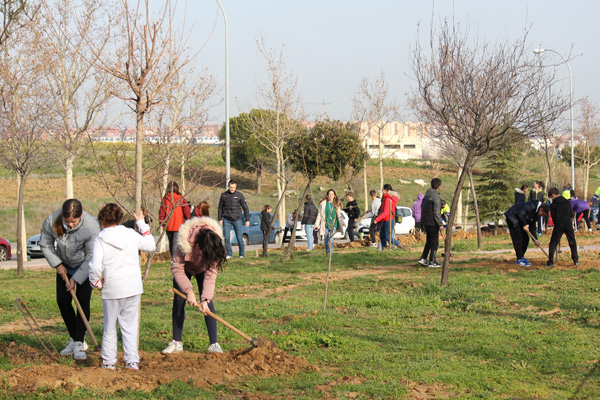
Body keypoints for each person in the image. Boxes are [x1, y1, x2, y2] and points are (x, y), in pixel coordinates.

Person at [88, 204, 156, 370]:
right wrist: (141, 223)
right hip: (133, 287)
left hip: (112, 289)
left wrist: (96, 282)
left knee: (110, 327)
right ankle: (132, 361)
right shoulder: (130, 234)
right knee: (130, 326)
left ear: (101, 221)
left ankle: (109, 362)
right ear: (120, 219)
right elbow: (150, 245)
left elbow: (95, 266)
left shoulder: (100, 239)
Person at [40, 199, 100, 360]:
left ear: (80, 215)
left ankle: (80, 341)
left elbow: (91, 256)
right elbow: (45, 243)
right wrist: (58, 264)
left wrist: (76, 278)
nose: (70, 225)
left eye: (73, 221)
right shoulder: (52, 221)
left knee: (82, 301)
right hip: (64, 267)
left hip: (84, 266)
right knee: (63, 301)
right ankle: (74, 339)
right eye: (68, 222)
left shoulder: (91, 226)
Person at [162, 215, 227, 355]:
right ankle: (177, 342)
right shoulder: (183, 241)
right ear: (197, 246)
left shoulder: (214, 244)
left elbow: (211, 275)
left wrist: (205, 299)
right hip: (184, 269)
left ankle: (214, 344)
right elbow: (177, 269)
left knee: (208, 304)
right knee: (179, 301)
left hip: (202, 270)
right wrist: (189, 291)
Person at [504, 199, 549, 267]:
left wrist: (535, 240)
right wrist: (524, 225)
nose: (541, 216)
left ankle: (521, 256)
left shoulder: (536, 215)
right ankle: (519, 259)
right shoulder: (531, 205)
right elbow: (520, 213)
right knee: (519, 238)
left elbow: (532, 227)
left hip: (520, 221)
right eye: (542, 214)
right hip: (512, 217)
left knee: (526, 239)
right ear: (541, 209)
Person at [547, 187, 579, 268]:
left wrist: (557, 222)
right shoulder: (567, 202)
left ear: (553, 195)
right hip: (568, 224)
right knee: (572, 242)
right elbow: (571, 214)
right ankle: (576, 260)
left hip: (559, 225)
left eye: (551, 197)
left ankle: (550, 261)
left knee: (553, 243)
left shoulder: (553, 205)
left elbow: (553, 217)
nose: (552, 199)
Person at [218, 180, 250, 259]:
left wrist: (247, 220)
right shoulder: (224, 195)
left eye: (234, 187)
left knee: (239, 237)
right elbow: (220, 208)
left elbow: (245, 208)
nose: (232, 189)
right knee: (226, 237)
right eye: (231, 187)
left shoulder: (239, 195)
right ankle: (229, 254)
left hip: (237, 219)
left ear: (236, 187)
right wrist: (220, 218)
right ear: (228, 186)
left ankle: (241, 254)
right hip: (226, 219)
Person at [159, 182, 191, 258]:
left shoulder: (165, 199)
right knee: (176, 243)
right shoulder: (181, 198)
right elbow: (186, 210)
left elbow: (162, 212)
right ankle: (176, 259)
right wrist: (189, 219)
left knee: (171, 243)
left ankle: (174, 258)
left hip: (168, 225)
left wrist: (162, 223)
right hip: (179, 224)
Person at [418, 178, 444, 268]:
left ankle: (423, 259)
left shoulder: (427, 194)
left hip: (425, 221)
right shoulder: (436, 197)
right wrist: (440, 224)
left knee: (428, 241)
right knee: (434, 243)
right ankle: (432, 261)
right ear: (439, 186)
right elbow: (436, 212)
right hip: (432, 222)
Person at [314, 189, 345, 255]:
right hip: (325, 224)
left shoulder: (336, 204)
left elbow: (339, 214)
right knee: (326, 238)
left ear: (334, 195)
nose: (331, 196)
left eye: (332, 194)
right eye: (329, 194)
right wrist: (316, 225)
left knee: (331, 238)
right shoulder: (324, 203)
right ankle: (327, 251)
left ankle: (330, 253)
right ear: (327, 195)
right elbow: (319, 215)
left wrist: (342, 222)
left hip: (334, 224)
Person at [374, 184, 400, 250]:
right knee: (382, 235)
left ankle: (401, 245)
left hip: (388, 220)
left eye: (382, 189)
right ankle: (384, 249)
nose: (382, 191)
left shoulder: (388, 199)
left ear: (385, 190)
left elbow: (386, 212)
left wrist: (377, 219)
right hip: (386, 220)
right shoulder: (387, 198)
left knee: (387, 237)